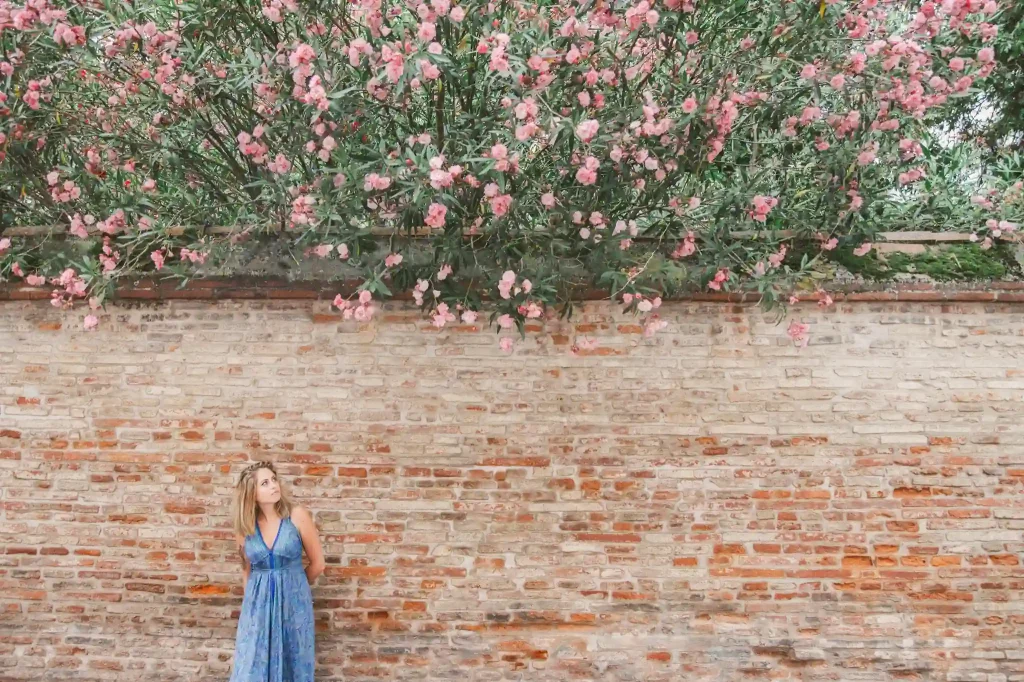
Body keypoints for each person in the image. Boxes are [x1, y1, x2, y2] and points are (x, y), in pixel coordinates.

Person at [229, 461, 325, 682]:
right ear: (252, 493)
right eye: (265, 483)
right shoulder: (245, 526)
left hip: (294, 604)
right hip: (257, 607)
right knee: (251, 665)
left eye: (274, 479)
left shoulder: (297, 516)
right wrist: (250, 608)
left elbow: (318, 563)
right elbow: (247, 569)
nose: (274, 485)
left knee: (294, 663)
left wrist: (295, 586)